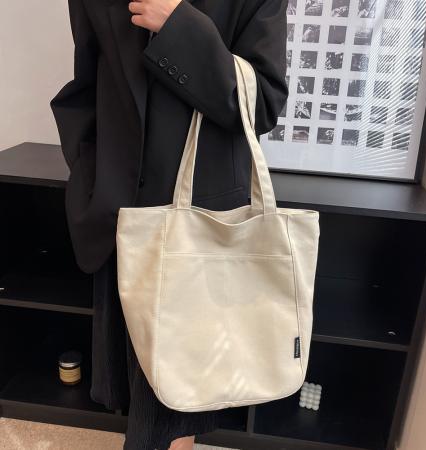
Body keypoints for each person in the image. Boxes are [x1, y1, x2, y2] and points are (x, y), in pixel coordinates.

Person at [50, 0, 289, 448]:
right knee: (136, 391)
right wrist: (89, 172)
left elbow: (262, 103)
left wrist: (179, 27)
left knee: (177, 409)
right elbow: (85, 85)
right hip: (118, 217)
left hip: (202, 229)